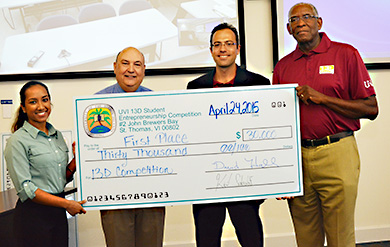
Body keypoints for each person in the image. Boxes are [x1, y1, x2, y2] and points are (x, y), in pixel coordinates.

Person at [272, 3, 379, 247]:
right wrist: (280, 173)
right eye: (294, 20)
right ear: (289, 29)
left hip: (337, 152)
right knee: (305, 237)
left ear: (319, 23)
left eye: (307, 17)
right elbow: (278, 121)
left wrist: (324, 99)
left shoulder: (346, 54)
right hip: (298, 158)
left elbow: (371, 108)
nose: (301, 23)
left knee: (340, 237)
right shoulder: (283, 66)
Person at [187, 22, 270, 247]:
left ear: (238, 48)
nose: (223, 49)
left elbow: (266, 133)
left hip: (245, 180)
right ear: (211, 50)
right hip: (207, 182)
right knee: (207, 241)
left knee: (251, 240)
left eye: (228, 44)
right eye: (217, 44)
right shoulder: (194, 87)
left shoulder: (259, 84)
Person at [96, 46, 165, 247]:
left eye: (137, 64)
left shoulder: (159, 104)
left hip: (152, 195)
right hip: (114, 196)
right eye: (125, 63)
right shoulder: (96, 103)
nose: (131, 69)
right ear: (115, 67)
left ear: (144, 70)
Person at [4, 80, 86, 247]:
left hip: (57, 215)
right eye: (33, 102)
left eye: (45, 99)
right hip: (32, 217)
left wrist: (76, 161)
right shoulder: (17, 141)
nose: (41, 106)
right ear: (24, 108)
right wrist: (67, 204)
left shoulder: (56, 136)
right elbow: (27, 189)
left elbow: (59, 179)